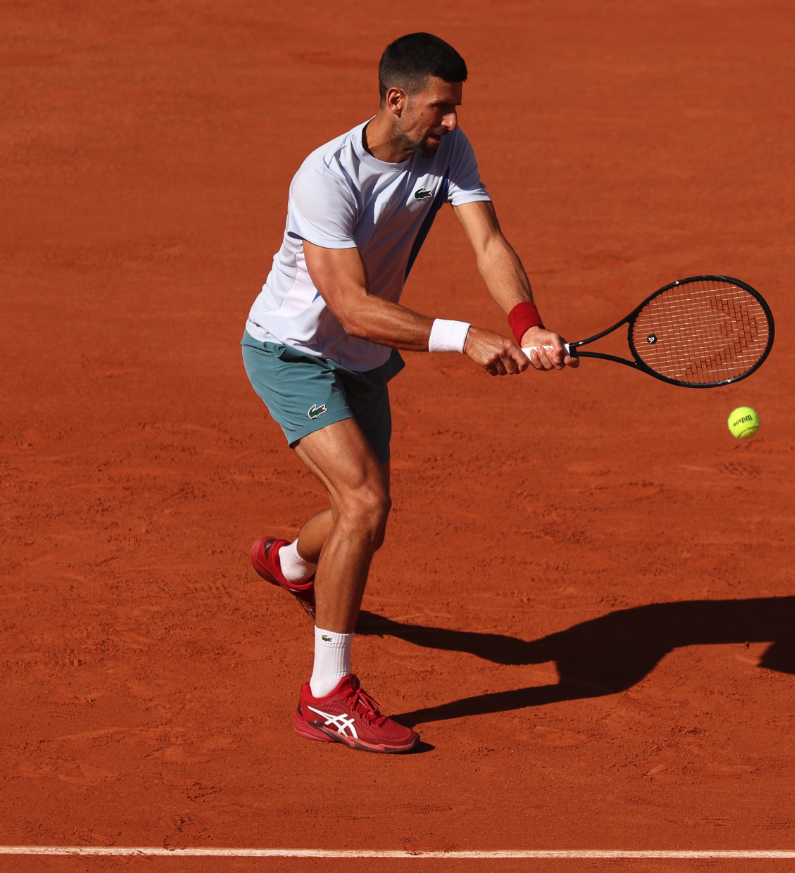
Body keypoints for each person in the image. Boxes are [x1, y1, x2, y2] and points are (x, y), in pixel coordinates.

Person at [241, 32, 576, 754]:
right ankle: (326, 696)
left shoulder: (447, 150)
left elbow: (488, 243)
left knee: (366, 519)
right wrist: (468, 337)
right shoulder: (325, 177)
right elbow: (351, 307)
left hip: (363, 359)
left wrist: (527, 323)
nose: (452, 121)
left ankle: (291, 561)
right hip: (293, 351)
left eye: (456, 108)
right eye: (439, 108)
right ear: (396, 100)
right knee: (363, 503)